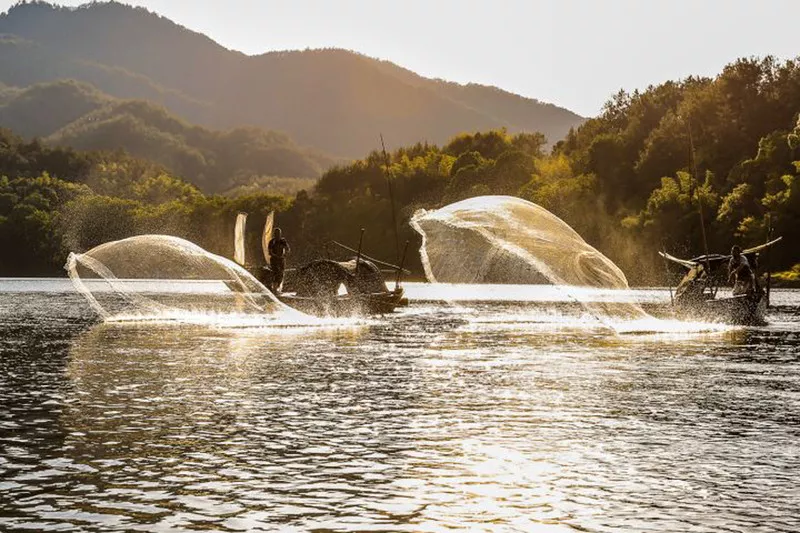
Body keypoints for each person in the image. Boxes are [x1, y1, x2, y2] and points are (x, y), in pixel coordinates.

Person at [268, 227, 290, 292]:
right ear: (274, 234)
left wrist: (284, 254)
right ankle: (274, 287)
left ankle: (278, 286)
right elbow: (270, 252)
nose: (277, 235)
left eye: (278, 234)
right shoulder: (272, 242)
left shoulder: (283, 241)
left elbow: (288, 249)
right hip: (274, 260)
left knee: (281, 273)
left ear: (280, 234)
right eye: (276, 234)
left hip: (281, 259)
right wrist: (276, 256)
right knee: (276, 272)